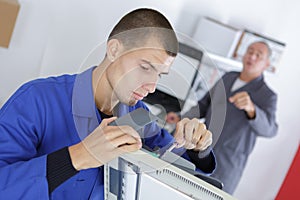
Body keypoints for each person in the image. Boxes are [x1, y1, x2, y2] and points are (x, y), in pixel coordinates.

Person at [0, 8, 216, 199]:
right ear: (114, 50)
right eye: (145, 67)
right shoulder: (37, 99)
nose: (152, 86)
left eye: (160, 74)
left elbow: (173, 165)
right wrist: (78, 156)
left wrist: (197, 147)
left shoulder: (140, 117)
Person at [166, 41, 278, 194]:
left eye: (258, 55)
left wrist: (252, 109)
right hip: (201, 151)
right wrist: (180, 118)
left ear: (266, 64)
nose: (252, 56)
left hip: (227, 165)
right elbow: (204, 105)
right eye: (250, 51)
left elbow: (271, 130)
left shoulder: (267, 95)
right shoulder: (228, 78)